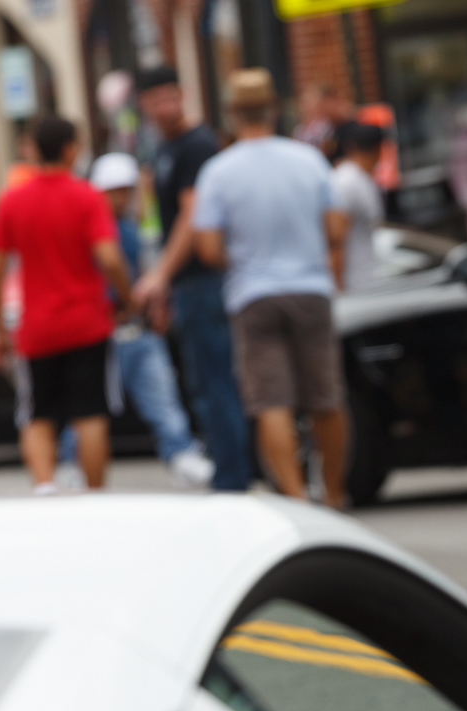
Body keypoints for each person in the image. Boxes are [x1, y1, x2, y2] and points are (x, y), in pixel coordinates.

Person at [192, 68, 350, 508]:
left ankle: (296, 497)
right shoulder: (308, 159)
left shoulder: (218, 172)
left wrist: (241, 256)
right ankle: (334, 493)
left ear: (230, 114)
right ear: (274, 109)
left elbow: (207, 247)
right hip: (310, 286)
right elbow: (336, 227)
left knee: (271, 400)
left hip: (252, 292)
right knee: (325, 397)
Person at [0, 115, 135, 493]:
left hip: (37, 326)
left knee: (37, 413)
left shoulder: (12, 200)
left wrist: (1, 330)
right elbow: (110, 257)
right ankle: (94, 491)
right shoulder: (87, 197)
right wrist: (127, 298)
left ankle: (44, 485)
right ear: (70, 149)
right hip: (86, 320)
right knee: (90, 413)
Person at [57, 153, 211, 489]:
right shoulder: (91, 227)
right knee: (87, 407)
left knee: (160, 396)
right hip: (104, 328)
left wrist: (151, 306)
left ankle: (180, 452)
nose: (121, 198)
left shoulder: (132, 227)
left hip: (134, 330)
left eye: (126, 191)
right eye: (114, 191)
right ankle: (70, 462)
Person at [132, 64, 251, 492]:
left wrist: (160, 274)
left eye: (171, 95)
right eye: (155, 98)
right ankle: (228, 465)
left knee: (216, 380)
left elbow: (192, 213)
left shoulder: (195, 146)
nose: (165, 105)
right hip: (186, 283)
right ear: (143, 104)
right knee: (202, 380)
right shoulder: (163, 149)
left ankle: (233, 474)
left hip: (204, 280)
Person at [330, 123, 385, 292]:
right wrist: (339, 289)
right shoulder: (346, 182)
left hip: (366, 281)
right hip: (353, 285)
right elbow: (335, 239)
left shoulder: (362, 179)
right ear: (379, 149)